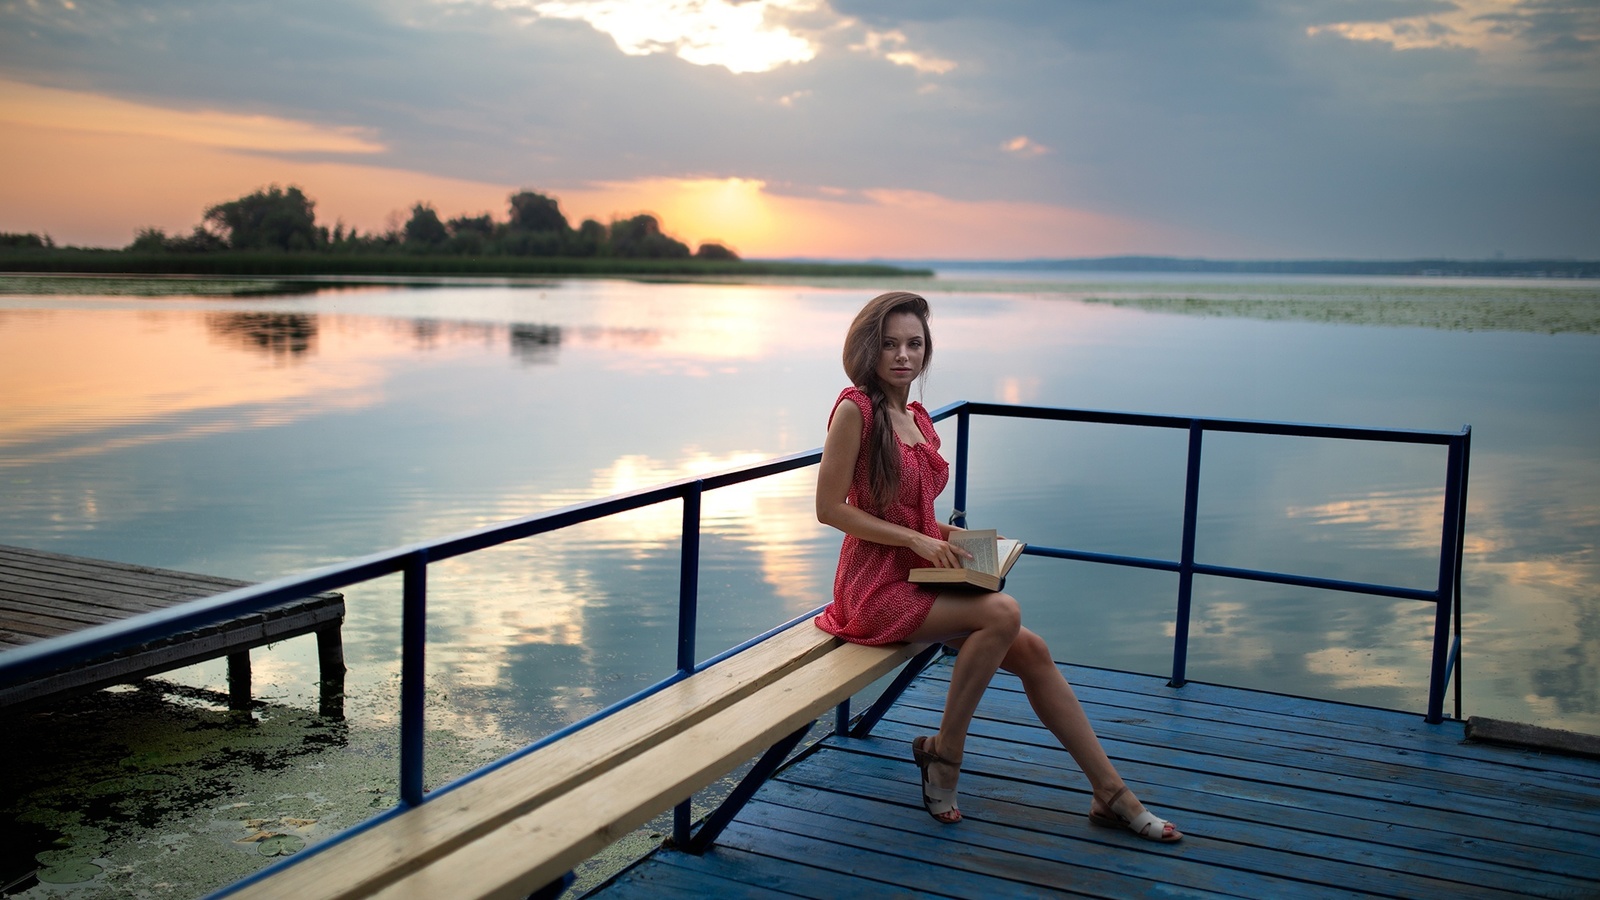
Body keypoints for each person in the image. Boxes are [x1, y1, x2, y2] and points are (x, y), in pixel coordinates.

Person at [813, 290, 1182, 841]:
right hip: (872, 588)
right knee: (1001, 612)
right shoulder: (855, 410)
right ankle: (945, 754)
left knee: (1032, 651)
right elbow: (830, 509)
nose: (902, 356)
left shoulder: (915, 416)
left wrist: (954, 536)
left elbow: (911, 512)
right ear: (868, 348)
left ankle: (1110, 793)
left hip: (915, 573)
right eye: (889, 344)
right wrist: (916, 538)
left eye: (914, 344)